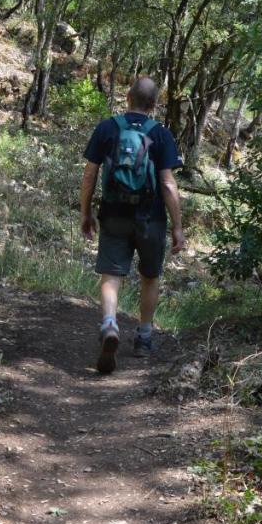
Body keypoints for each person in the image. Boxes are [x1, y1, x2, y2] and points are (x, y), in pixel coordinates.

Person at [78, 76, 185, 374]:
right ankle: (144, 337)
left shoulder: (107, 128)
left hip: (113, 214)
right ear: (154, 104)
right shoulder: (161, 134)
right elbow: (167, 183)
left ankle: (110, 323)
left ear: (127, 97)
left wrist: (85, 213)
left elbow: (89, 175)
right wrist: (177, 226)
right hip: (151, 219)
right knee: (150, 276)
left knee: (112, 275)